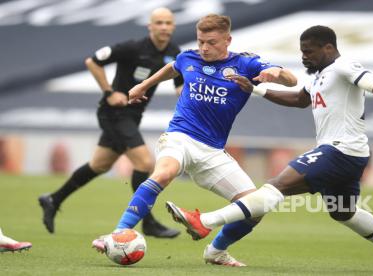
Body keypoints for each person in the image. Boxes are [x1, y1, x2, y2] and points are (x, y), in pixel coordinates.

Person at [165, 25, 373, 272]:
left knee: (275, 187)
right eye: (301, 52)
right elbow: (300, 100)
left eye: (308, 51)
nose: (304, 57)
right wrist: (255, 89)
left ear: (328, 47)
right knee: (343, 212)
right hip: (350, 155)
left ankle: (205, 222)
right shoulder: (319, 76)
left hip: (339, 150)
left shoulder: (345, 66)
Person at [92, 14, 298, 266]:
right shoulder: (189, 57)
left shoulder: (246, 64)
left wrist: (277, 72)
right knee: (163, 173)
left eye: (211, 42)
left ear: (227, 40)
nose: (204, 48)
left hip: (213, 152)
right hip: (180, 137)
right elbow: (173, 67)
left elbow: (292, 80)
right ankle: (116, 233)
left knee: (256, 208)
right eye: (201, 41)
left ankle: (216, 252)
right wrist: (144, 85)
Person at [38, 7, 182, 238]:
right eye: (159, 23)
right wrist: (109, 92)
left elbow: (180, 87)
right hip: (114, 113)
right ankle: (148, 221)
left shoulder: (174, 52)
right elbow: (92, 61)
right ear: (150, 26)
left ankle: (53, 199)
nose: (164, 27)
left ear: (173, 26)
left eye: (168, 23)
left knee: (99, 165)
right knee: (145, 163)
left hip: (133, 117)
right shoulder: (133, 48)